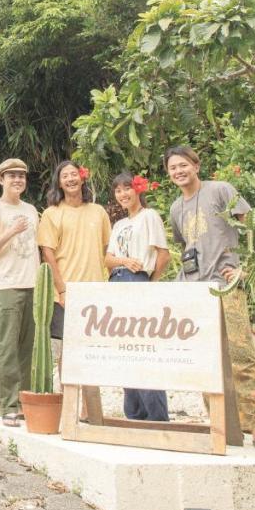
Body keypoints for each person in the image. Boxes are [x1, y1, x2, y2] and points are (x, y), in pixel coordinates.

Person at [164, 145, 255, 449]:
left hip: (226, 286)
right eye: (173, 168)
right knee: (205, 361)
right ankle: (221, 424)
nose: (179, 171)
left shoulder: (221, 191)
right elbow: (185, 246)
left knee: (242, 356)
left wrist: (247, 266)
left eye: (183, 165)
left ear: (196, 165)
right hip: (194, 292)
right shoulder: (175, 208)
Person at [104, 171, 171, 422]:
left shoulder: (149, 216)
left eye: (127, 188)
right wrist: (124, 260)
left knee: (144, 350)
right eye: (118, 190)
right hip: (117, 279)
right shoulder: (120, 224)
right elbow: (108, 260)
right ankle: (134, 415)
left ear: (138, 190)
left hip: (138, 280)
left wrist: (150, 283)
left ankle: (156, 418)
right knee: (124, 350)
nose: (123, 194)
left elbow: (163, 255)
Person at [0, 157, 41, 427]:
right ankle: (9, 406)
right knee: (8, 348)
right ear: (1, 179)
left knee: (28, 348)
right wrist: (11, 232)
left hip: (33, 284)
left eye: (21, 175)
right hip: (6, 285)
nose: (17, 179)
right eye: (12, 175)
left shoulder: (31, 209)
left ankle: (26, 402)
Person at [37, 161, 111, 346]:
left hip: (96, 291)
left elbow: (107, 251)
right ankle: (66, 378)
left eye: (74, 174)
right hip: (66, 293)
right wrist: (62, 290)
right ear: (59, 183)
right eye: (65, 176)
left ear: (82, 178)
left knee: (95, 347)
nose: (70, 178)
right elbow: (47, 254)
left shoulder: (98, 211)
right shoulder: (51, 214)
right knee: (69, 350)